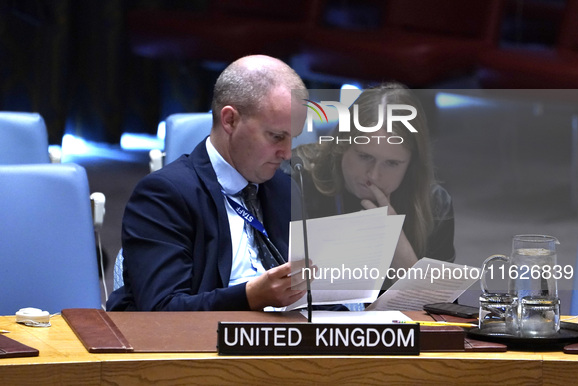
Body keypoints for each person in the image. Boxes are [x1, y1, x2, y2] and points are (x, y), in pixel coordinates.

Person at [107, 55, 309, 311]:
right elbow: (161, 310)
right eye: (277, 136)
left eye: (294, 138)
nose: (288, 153)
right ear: (230, 120)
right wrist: (249, 297)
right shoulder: (164, 195)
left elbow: (307, 295)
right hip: (203, 346)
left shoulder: (285, 189)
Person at [294, 83, 455, 290]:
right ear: (341, 146)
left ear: (412, 164)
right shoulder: (297, 180)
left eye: (392, 163)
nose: (373, 175)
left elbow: (438, 311)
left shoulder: (435, 204)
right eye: (364, 157)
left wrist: (396, 243)